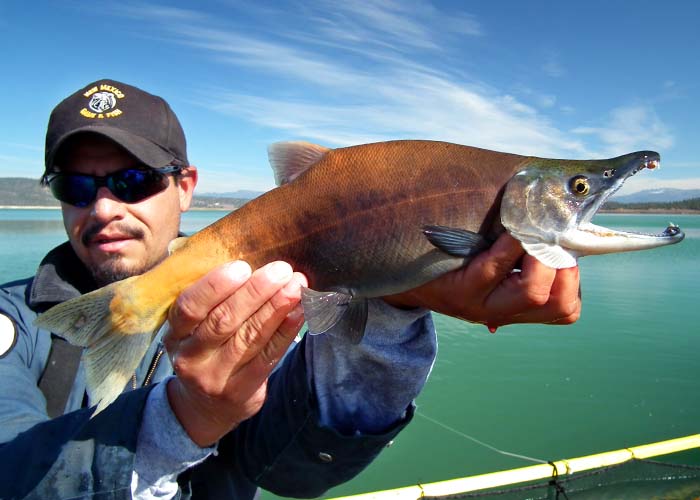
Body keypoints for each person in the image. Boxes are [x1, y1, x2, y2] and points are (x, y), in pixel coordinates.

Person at [0, 79, 581, 500]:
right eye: (75, 185)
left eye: (132, 181)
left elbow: (295, 472)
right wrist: (187, 416)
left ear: (185, 187)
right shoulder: (12, 321)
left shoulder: (248, 298)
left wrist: (397, 302)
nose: (104, 208)